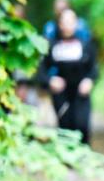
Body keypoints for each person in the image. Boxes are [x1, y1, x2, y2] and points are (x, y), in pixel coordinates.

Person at [38, 8, 98, 145]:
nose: (68, 25)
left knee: (82, 123)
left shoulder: (85, 44)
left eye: (71, 21)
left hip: (80, 91)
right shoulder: (51, 45)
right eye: (65, 21)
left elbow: (94, 68)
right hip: (61, 92)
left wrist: (89, 80)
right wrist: (50, 81)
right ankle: (67, 157)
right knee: (65, 124)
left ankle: (83, 154)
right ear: (59, 24)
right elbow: (41, 71)